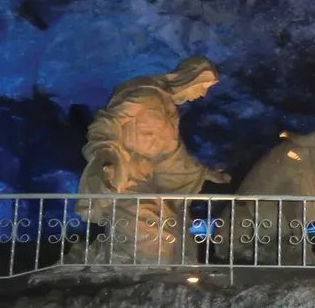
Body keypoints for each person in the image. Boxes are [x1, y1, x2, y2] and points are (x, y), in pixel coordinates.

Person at [71, 56, 231, 265]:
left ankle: (157, 280)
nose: (202, 94)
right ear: (189, 78)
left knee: (177, 233)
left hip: (151, 181)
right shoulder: (145, 96)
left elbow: (172, 156)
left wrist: (204, 173)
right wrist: (104, 153)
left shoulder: (170, 111)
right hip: (128, 177)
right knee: (150, 239)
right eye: (202, 87)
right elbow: (107, 123)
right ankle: (113, 275)